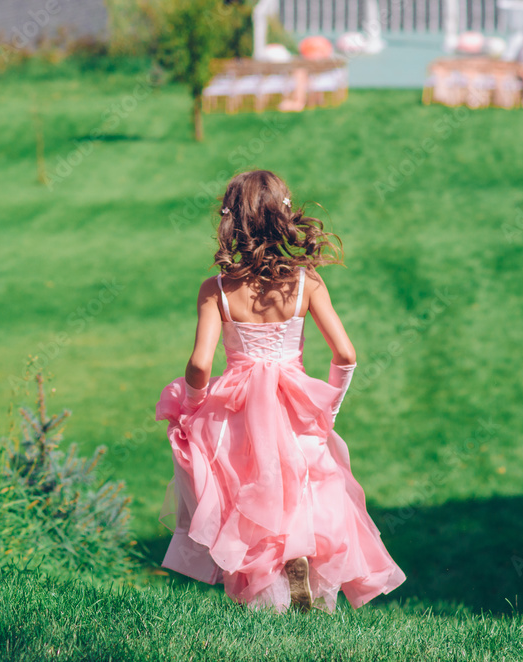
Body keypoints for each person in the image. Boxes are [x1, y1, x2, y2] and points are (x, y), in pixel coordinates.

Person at [156, 170, 406, 613]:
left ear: (233, 220)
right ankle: (300, 559)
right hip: (294, 401)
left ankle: (261, 594)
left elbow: (199, 363)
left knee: (246, 490)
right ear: (282, 217)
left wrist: (193, 408)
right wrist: (327, 405)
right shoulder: (305, 282)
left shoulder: (216, 289)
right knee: (306, 487)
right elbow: (345, 353)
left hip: (237, 404)